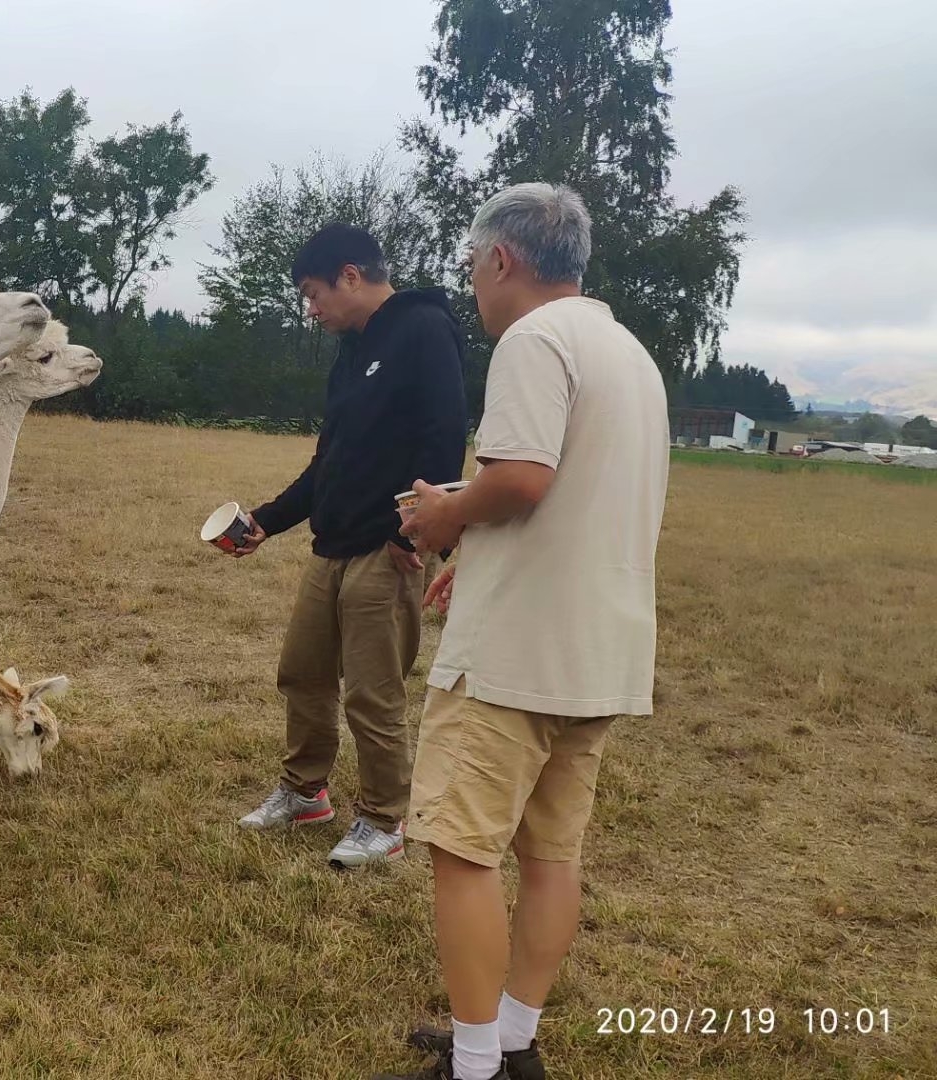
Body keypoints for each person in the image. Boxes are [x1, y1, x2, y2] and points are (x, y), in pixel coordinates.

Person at [380, 184, 670, 1080]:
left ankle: (474, 1068)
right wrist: (485, 557)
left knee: (460, 851)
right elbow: (580, 501)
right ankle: (512, 1040)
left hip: (512, 661)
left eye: (472, 266)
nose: (472, 285)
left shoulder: (532, 340)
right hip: (599, 651)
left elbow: (522, 479)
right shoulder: (629, 354)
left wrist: (442, 517)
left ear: (501, 260)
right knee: (552, 853)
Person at [230, 222, 468, 869]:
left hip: (386, 551)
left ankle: (383, 820)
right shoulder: (351, 351)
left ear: (351, 276)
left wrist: (409, 531)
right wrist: (266, 520)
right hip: (329, 548)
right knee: (302, 673)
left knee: (372, 692)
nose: (311, 309)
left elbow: (446, 439)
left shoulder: (424, 330)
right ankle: (305, 792)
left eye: (313, 293)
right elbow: (327, 461)